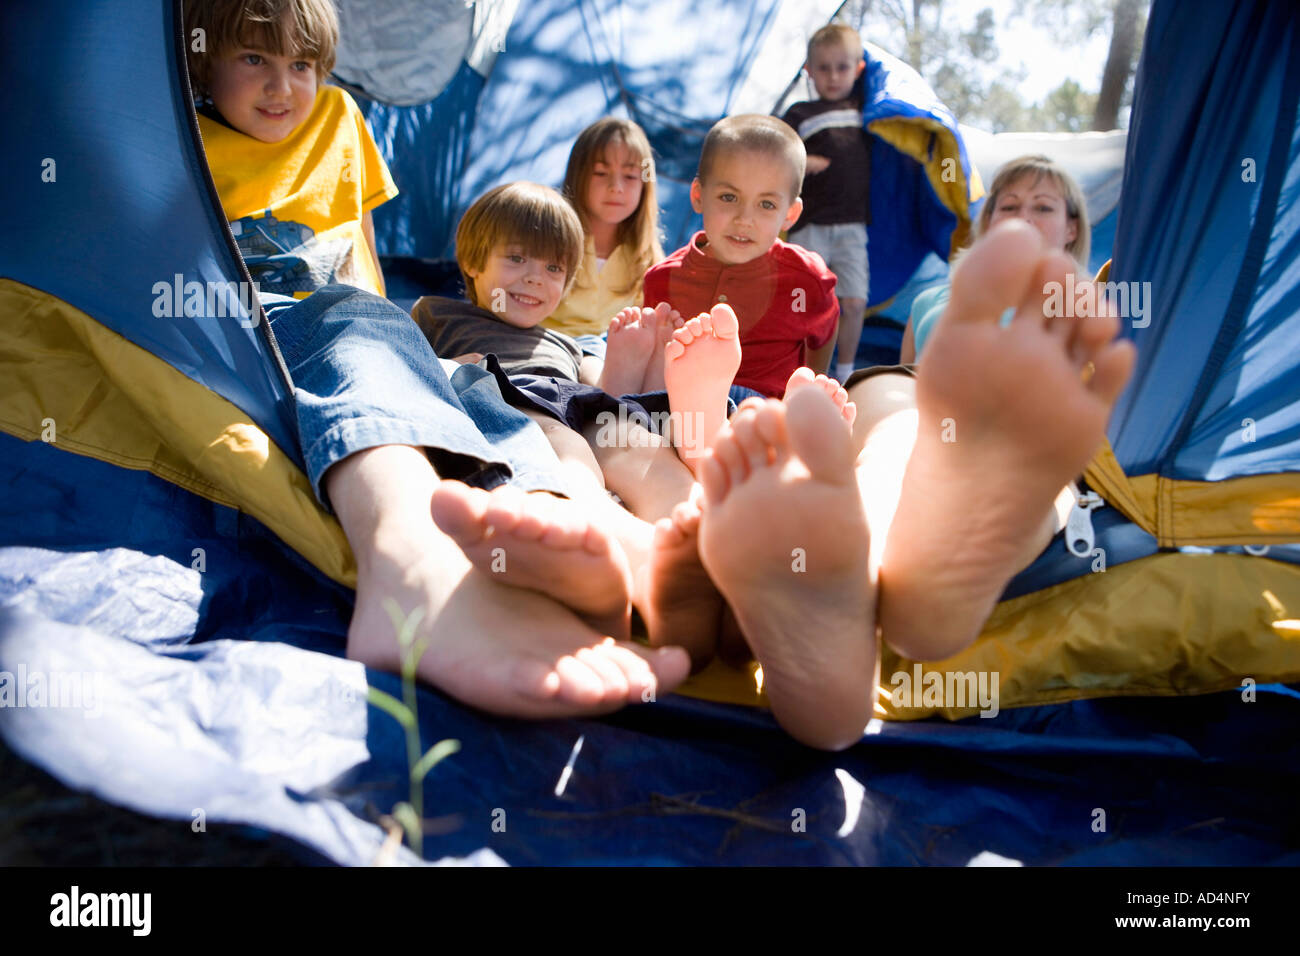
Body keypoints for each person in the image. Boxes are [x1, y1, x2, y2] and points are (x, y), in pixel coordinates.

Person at [429, 218, 1136, 750]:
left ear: (1079, 228)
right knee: (895, 420)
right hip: (919, 394)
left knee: (905, 427)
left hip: (948, 402)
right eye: (1005, 207)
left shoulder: (1075, 312)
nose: (1021, 226)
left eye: (1041, 211)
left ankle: (881, 558)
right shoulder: (962, 299)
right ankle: (881, 571)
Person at [185, 0, 397, 298]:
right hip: (251, 324)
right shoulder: (187, 139)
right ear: (205, 61)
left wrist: (388, 328)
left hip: (353, 319)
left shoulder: (337, 114)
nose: (281, 88)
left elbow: (363, 238)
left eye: (300, 65)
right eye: (255, 59)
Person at [642, 114, 840, 402]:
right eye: (728, 197)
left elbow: (826, 330)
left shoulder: (806, 279)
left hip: (766, 411)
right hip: (684, 408)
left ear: (790, 215)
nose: (745, 219)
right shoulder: (661, 280)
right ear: (698, 195)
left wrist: (812, 382)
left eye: (766, 204)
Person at [901, 154, 1090, 363]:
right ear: (989, 222)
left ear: (1072, 229)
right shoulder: (927, 303)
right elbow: (901, 382)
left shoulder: (1087, 309)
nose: (1022, 218)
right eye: (1009, 207)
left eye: (1043, 207)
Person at [781, 23, 873, 385]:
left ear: (858, 69)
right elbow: (774, 149)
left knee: (853, 302)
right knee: (803, 303)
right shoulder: (800, 113)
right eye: (823, 68)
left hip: (853, 225)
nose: (833, 76)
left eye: (843, 67)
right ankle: (800, 373)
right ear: (809, 70)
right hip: (810, 224)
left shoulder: (865, 108)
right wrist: (803, 157)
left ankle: (847, 373)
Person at [543, 119, 665, 342]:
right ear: (578, 176)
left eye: (630, 176)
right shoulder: (547, 242)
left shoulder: (648, 260)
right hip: (547, 349)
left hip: (610, 359)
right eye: (600, 173)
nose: (616, 187)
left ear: (645, 185)